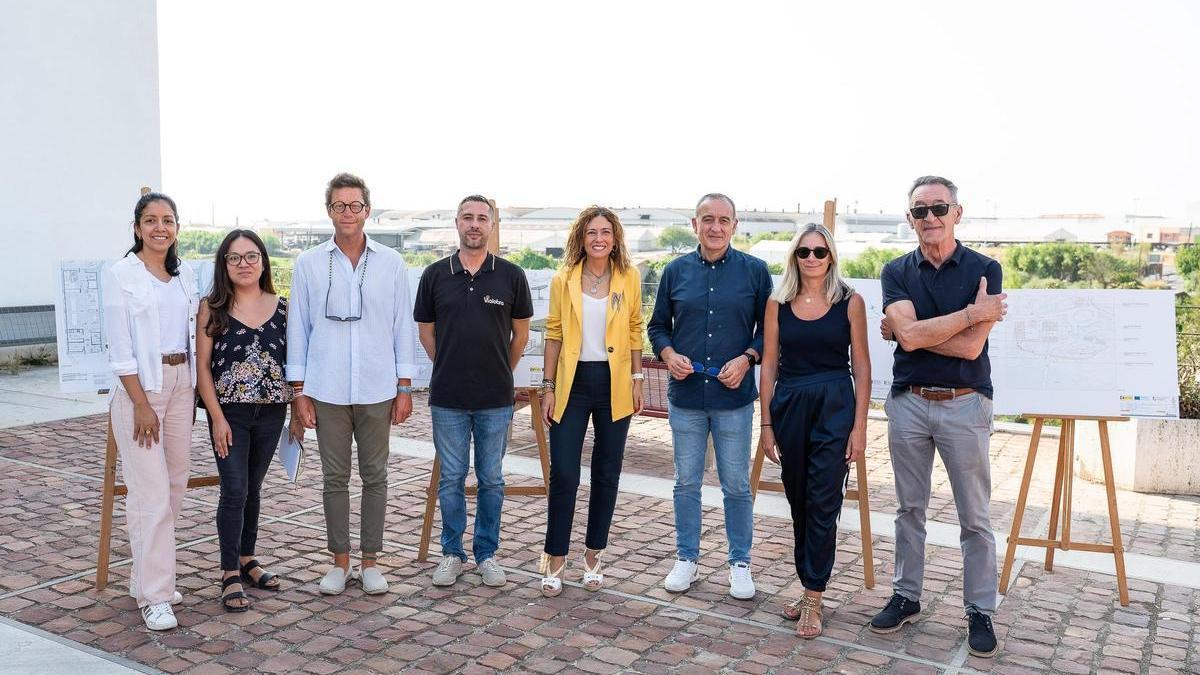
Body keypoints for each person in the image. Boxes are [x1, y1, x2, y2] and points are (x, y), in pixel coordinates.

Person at [870, 176, 1008, 658]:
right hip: (909, 402)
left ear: (957, 213)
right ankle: (906, 596)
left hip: (966, 403)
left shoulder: (985, 269)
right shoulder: (895, 270)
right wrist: (970, 315)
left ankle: (980, 610)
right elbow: (913, 337)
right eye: (920, 210)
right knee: (909, 509)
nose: (929, 217)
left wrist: (911, 333)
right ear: (910, 218)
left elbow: (969, 348)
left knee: (975, 516)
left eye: (939, 208)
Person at [287, 172, 416, 596]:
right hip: (326, 387)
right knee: (334, 477)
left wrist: (404, 386)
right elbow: (298, 330)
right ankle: (340, 562)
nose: (347, 212)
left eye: (355, 205)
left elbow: (401, 326)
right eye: (339, 205)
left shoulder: (391, 263)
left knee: (376, 475)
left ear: (367, 210)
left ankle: (371, 561)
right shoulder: (308, 263)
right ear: (329, 210)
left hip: (378, 386)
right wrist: (299, 392)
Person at [647, 193, 772, 599]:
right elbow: (657, 327)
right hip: (686, 398)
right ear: (694, 225)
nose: (715, 227)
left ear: (735, 225)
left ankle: (740, 562)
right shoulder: (674, 271)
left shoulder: (755, 272)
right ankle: (687, 558)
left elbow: (769, 332)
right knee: (686, 483)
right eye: (707, 219)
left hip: (733, 401)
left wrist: (748, 358)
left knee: (736, 485)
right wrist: (668, 354)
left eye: (723, 220)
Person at [414, 195, 532, 589]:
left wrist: (499, 369)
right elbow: (426, 333)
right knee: (451, 479)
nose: (475, 224)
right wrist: (449, 364)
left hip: (495, 399)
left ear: (492, 225)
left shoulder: (511, 276)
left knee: (491, 479)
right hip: (447, 398)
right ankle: (452, 553)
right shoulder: (435, 275)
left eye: (482, 218)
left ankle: (486, 554)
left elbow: (521, 336)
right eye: (468, 217)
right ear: (457, 223)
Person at [758, 224, 870, 637]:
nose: (811, 258)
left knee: (823, 502)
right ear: (794, 257)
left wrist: (859, 427)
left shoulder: (850, 301)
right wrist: (766, 423)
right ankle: (808, 583)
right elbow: (769, 364)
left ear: (831, 256)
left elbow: (862, 367)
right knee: (799, 501)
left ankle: (813, 596)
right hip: (789, 406)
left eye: (819, 252)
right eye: (803, 252)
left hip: (835, 406)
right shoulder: (778, 303)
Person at [103, 191, 199, 630]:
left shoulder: (185, 275)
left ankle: (146, 576)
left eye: (168, 220)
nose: (160, 227)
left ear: (177, 227)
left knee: (174, 486)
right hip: (142, 390)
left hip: (181, 384)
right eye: (151, 220)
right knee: (150, 493)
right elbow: (120, 350)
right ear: (137, 227)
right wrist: (141, 403)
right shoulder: (121, 274)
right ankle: (155, 596)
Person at [537, 206, 644, 596]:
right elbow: (553, 334)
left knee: (606, 472)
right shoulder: (563, 278)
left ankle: (594, 554)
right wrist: (548, 386)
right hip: (572, 384)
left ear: (615, 238)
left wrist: (637, 379)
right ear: (580, 238)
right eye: (591, 232)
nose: (599, 239)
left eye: (605, 232)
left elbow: (634, 329)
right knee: (565, 472)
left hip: (614, 383)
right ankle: (554, 557)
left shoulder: (628, 277)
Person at [196, 230, 290, 612]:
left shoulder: (283, 308)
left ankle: (247, 558)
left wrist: (299, 410)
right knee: (234, 490)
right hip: (229, 414)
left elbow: (294, 363)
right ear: (224, 264)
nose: (244, 264)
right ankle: (228, 572)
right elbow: (203, 368)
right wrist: (217, 417)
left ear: (263, 261)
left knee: (253, 488)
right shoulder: (212, 307)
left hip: (272, 412)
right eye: (234, 258)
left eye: (251, 256)